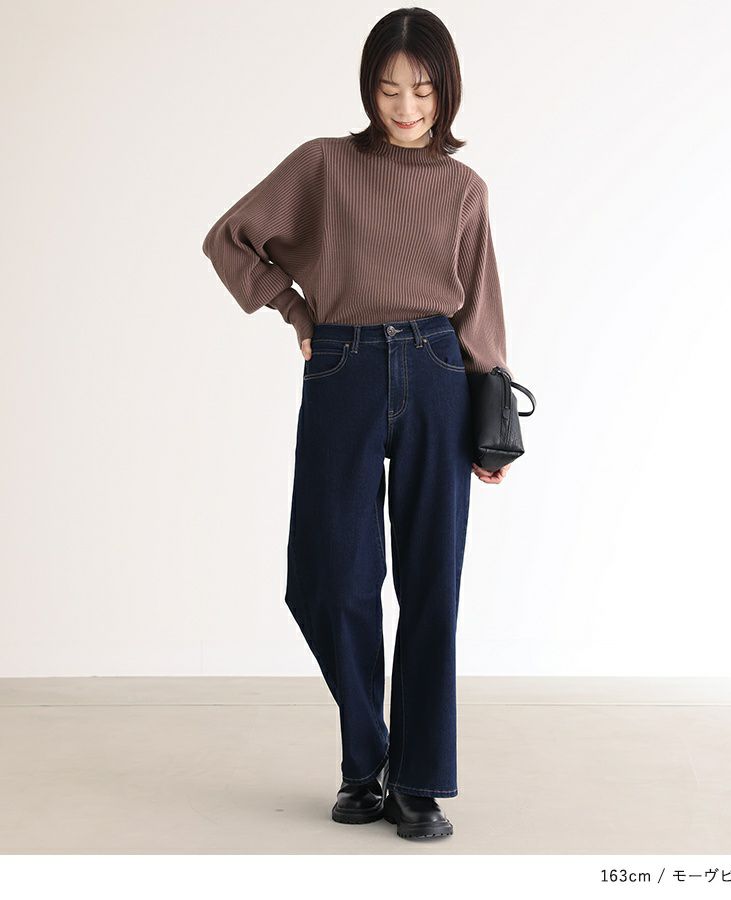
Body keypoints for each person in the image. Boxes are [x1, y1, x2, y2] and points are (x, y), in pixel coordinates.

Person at [202, 8, 513, 841]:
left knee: (431, 583)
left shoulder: (464, 189)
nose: (406, 107)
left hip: (440, 373)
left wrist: (491, 416)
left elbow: (480, 302)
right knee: (329, 578)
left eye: (423, 89)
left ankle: (418, 781)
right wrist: (296, 310)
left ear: (447, 91)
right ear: (367, 89)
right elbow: (230, 239)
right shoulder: (325, 164)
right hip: (342, 366)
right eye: (388, 88)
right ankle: (364, 757)